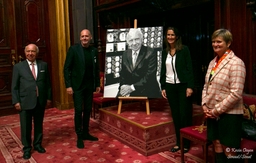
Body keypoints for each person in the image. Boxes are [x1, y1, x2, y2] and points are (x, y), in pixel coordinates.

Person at [202, 29, 246, 163]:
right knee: (216, 143)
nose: (215, 44)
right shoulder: (212, 62)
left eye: (219, 42)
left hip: (229, 114)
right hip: (211, 112)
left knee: (229, 149)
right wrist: (204, 105)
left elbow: (236, 93)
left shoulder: (236, 63)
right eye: (213, 42)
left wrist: (216, 111)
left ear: (228, 43)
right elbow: (206, 86)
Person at [11, 44, 52, 159]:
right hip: (24, 101)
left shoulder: (43, 65)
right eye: (28, 51)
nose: (30, 53)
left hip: (40, 101)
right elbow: (14, 86)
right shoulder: (18, 67)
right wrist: (16, 101)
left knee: (39, 124)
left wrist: (48, 98)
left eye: (33, 51)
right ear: (25, 53)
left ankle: (38, 144)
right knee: (26, 126)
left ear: (36, 53)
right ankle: (27, 148)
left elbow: (48, 84)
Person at [63, 29, 101, 149]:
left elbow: (96, 69)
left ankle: (86, 132)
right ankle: (79, 136)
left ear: (90, 38)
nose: (84, 38)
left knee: (88, 109)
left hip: (89, 86)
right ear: (80, 38)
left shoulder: (94, 51)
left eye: (86, 36)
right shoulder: (73, 50)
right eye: (82, 36)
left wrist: (97, 84)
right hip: (77, 86)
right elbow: (66, 68)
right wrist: (68, 85)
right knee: (79, 110)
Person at [160, 27, 194, 153]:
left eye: (172, 35)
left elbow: (189, 68)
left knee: (184, 114)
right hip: (170, 86)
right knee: (176, 115)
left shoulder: (184, 50)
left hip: (182, 86)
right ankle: (178, 142)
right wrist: (163, 86)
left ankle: (186, 143)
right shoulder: (165, 52)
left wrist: (190, 86)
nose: (170, 37)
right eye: (168, 35)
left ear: (177, 36)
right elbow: (163, 71)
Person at [117, 28, 161, 98]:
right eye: (131, 40)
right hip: (131, 91)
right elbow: (123, 74)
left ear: (141, 39)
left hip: (147, 91)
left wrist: (131, 88)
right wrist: (123, 86)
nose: (134, 43)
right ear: (128, 42)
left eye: (136, 39)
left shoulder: (150, 52)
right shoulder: (125, 54)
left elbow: (149, 76)